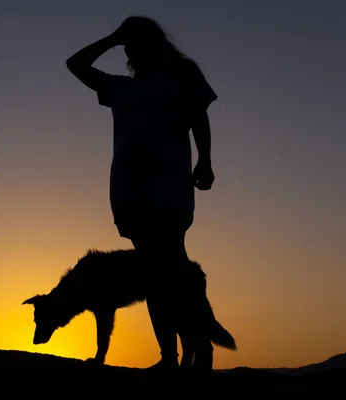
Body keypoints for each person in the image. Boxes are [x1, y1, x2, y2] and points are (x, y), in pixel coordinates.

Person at [66, 16, 217, 369]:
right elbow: (75, 64)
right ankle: (173, 355)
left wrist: (206, 160)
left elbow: (199, 117)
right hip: (130, 189)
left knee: (168, 266)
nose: (130, 49)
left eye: (135, 40)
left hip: (169, 186)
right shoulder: (120, 88)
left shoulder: (181, 76)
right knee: (155, 273)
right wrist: (113, 37)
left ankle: (196, 349)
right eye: (127, 44)